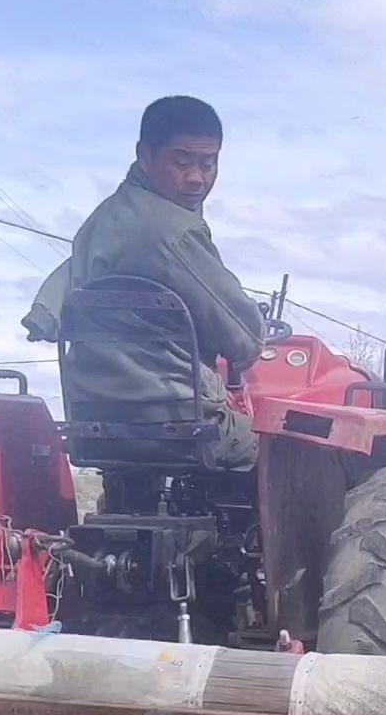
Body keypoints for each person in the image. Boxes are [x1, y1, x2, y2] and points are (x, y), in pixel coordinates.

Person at [23, 95, 264, 469]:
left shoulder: (99, 223)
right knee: (285, 445)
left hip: (94, 420)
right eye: (182, 163)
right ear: (145, 155)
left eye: (208, 164)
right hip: (177, 421)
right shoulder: (174, 233)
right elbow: (243, 340)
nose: (197, 178)